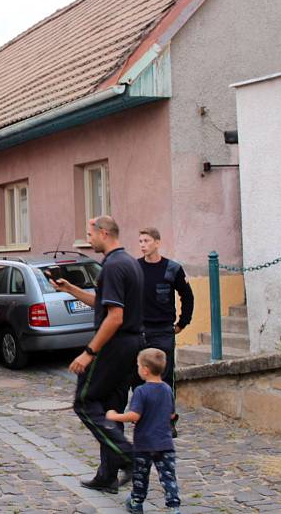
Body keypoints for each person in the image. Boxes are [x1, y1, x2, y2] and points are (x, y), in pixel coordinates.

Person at [50, 216, 144, 494]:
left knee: (85, 401)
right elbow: (103, 303)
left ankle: (129, 457)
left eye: (90, 234)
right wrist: (70, 289)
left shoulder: (114, 267)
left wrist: (89, 352)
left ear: (104, 233)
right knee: (110, 411)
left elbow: (115, 317)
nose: (88, 239)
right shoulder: (128, 263)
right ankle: (107, 475)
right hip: (131, 345)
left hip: (114, 345)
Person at [106, 348, 181, 514]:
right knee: (168, 476)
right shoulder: (167, 389)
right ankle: (174, 507)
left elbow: (134, 415)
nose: (138, 368)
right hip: (165, 443)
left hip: (144, 444)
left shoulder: (141, 391)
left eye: (138, 366)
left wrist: (115, 416)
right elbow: (171, 414)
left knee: (140, 476)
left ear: (145, 370)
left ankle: (136, 502)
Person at [137, 227, 194, 436]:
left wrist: (182, 323)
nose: (143, 244)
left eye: (147, 241)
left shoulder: (172, 269)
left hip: (163, 330)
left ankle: (168, 420)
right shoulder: (136, 268)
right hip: (141, 331)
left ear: (157, 242)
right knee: (140, 377)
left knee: (165, 377)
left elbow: (187, 296)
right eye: (140, 241)